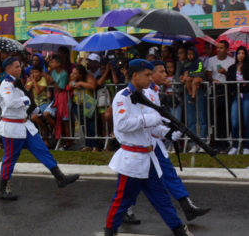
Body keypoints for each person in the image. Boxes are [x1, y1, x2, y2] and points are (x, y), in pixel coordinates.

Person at [103, 59, 191, 236]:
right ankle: (110, 231)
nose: (150, 79)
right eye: (147, 75)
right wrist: (147, 120)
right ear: (135, 76)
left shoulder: (147, 95)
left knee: (162, 198)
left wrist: (167, 133)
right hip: (132, 160)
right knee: (122, 200)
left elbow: (153, 127)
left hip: (149, 158)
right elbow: (121, 125)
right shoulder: (123, 97)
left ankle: (179, 230)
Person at [125, 61, 211, 225]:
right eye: (160, 72)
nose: (165, 75)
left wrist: (172, 128)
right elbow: (149, 119)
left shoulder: (154, 92)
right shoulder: (144, 93)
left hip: (153, 142)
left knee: (166, 173)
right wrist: (168, 131)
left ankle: (187, 206)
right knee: (135, 179)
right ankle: (124, 211)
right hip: (142, 143)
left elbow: (158, 117)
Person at [0, 57, 79, 200]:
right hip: (12, 128)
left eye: (19, 66)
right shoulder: (6, 84)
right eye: (16, 67)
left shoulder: (17, 83)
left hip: (25, 125)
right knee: (10, 159)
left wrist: (35, 111)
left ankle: (60, 177)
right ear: (8, 69)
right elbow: (10, 103)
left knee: (42, 150)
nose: (19, 69)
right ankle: (4, 189)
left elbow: (25, 104)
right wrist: (26, 100)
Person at [226, 46, 249, 155]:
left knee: (246, 121)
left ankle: (246, 146)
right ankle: (235, 145)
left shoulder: (248, 67)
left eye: (243, 53)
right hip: (235, 95)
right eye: (239, 53)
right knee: (234, 121)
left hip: (246, 95)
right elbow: (229, 81)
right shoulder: (231, 68)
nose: (241, 55)